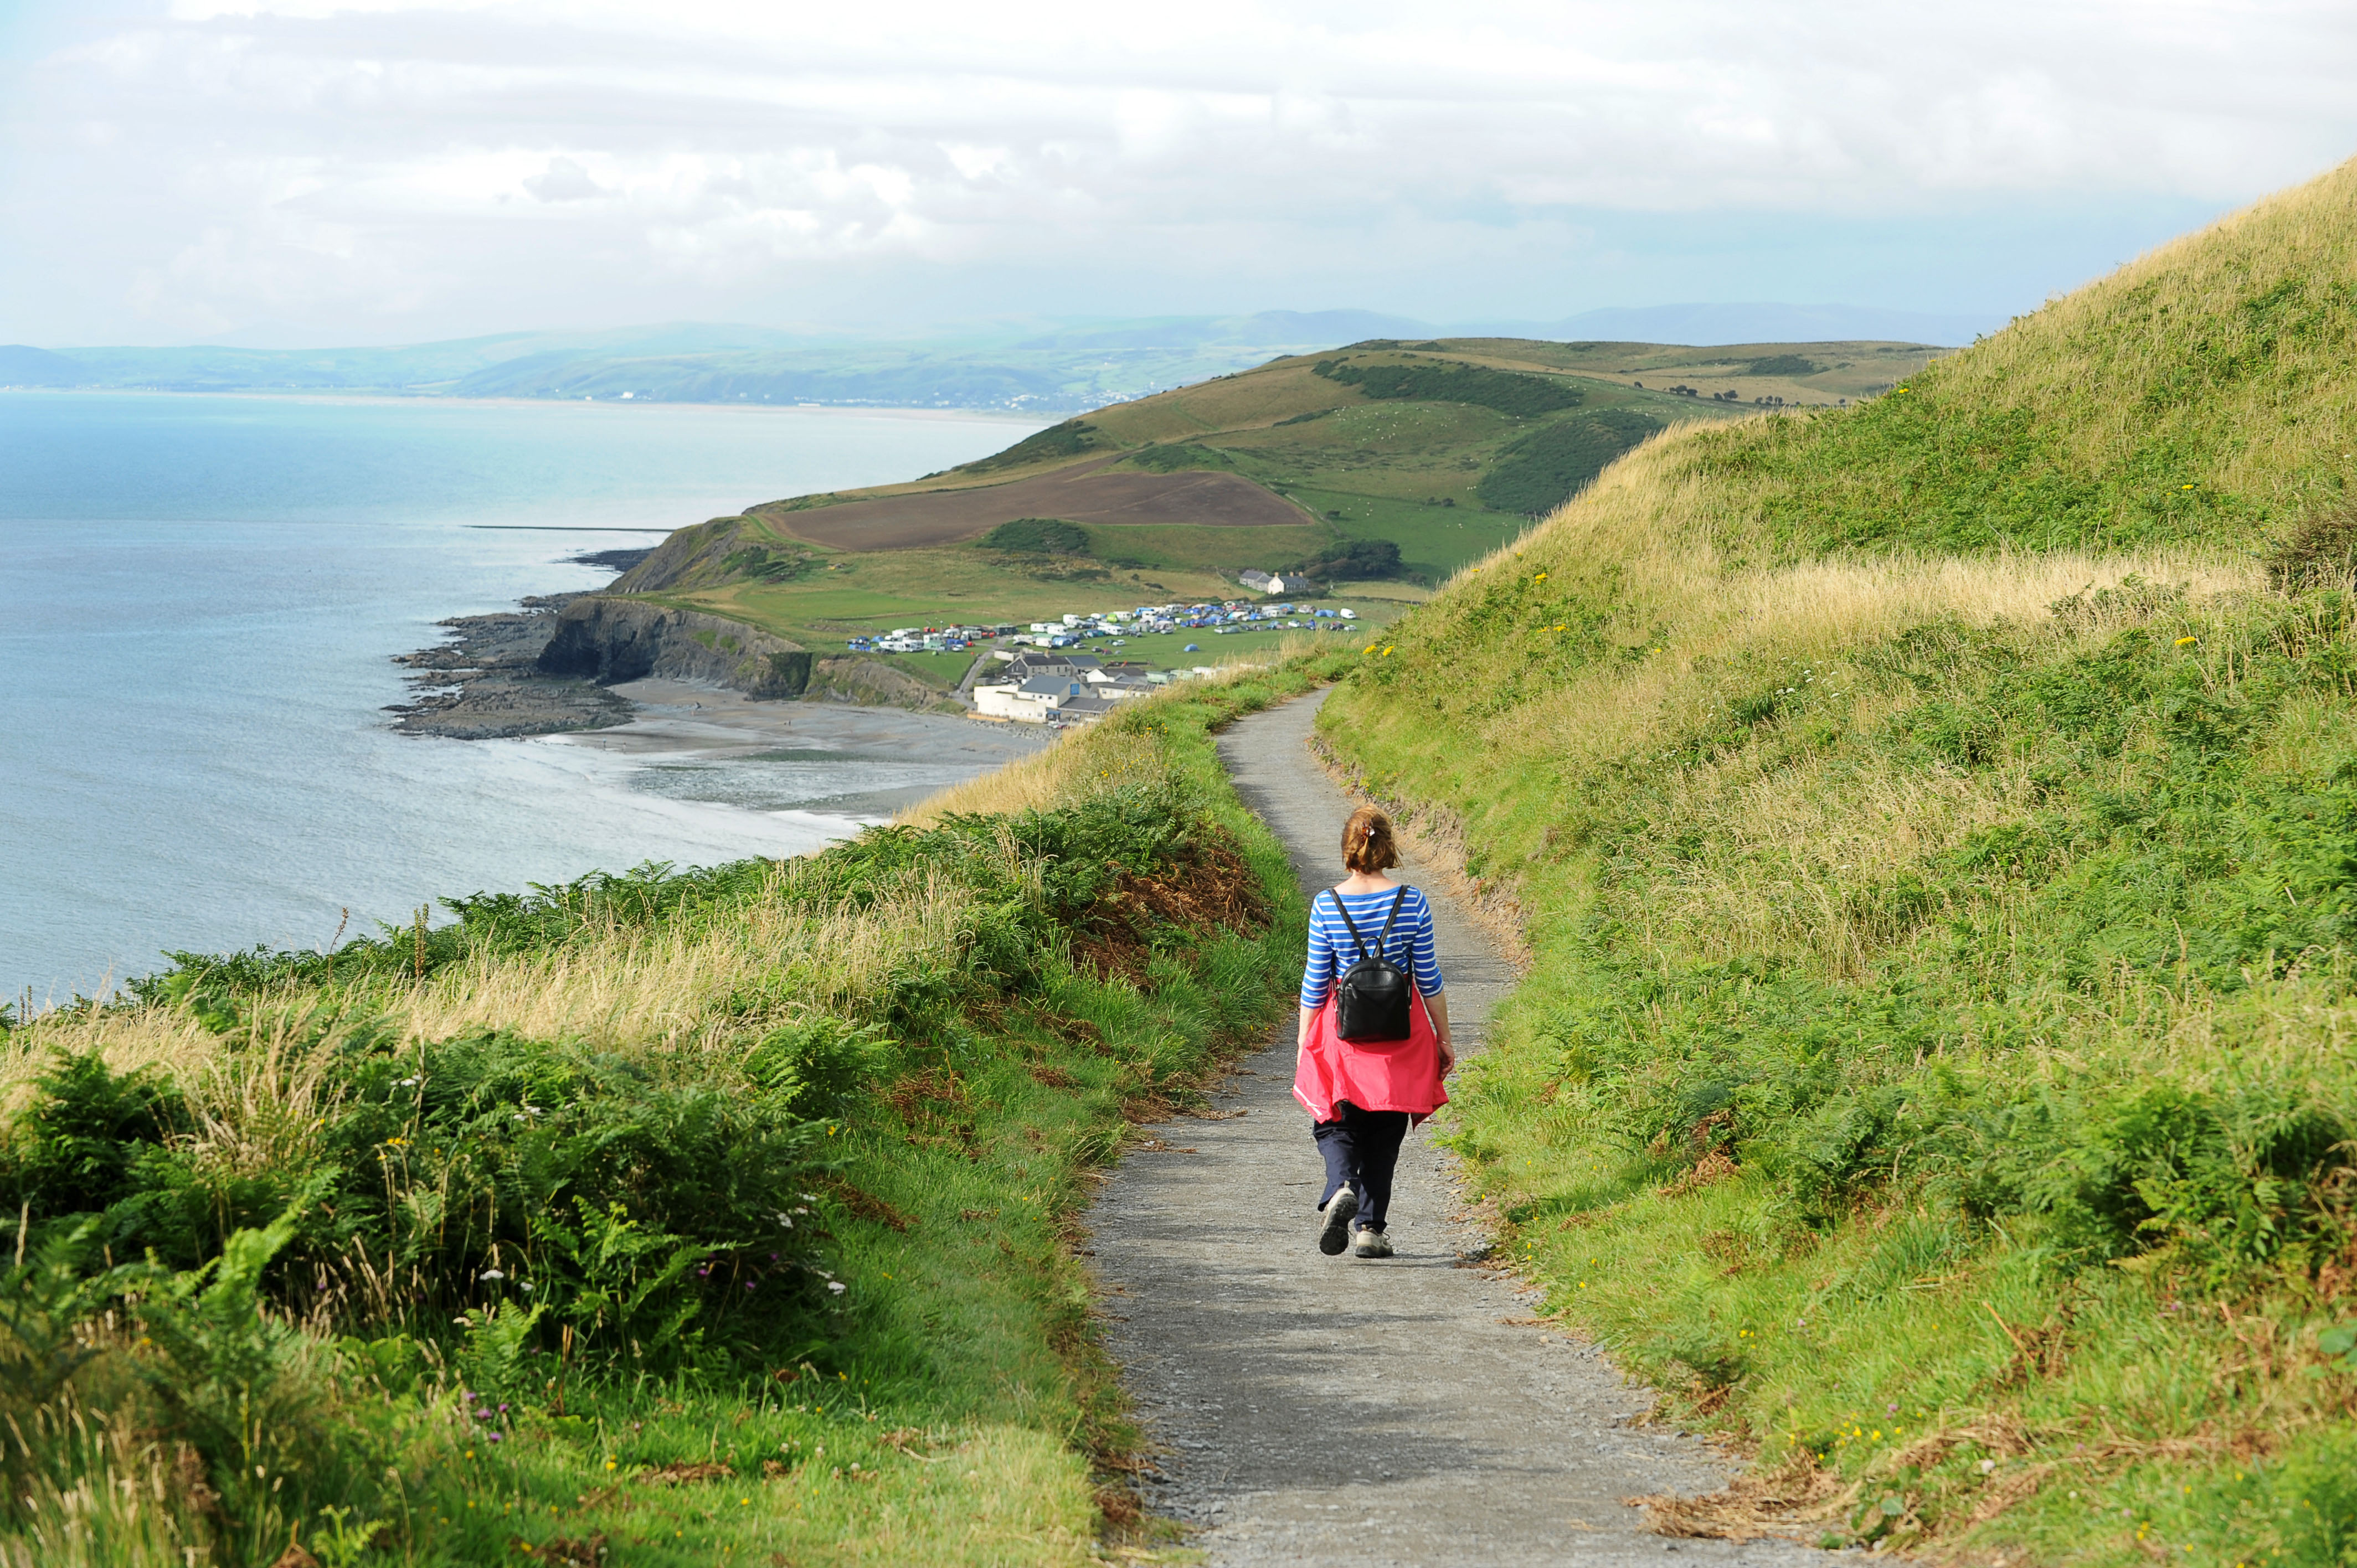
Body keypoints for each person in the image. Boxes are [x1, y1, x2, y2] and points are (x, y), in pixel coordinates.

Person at [1292, 805, 1452, 1260]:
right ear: (1387, 849)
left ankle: (1342, 1183)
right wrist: (1444, 1038)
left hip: (1343, 1036)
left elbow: (1316, 981)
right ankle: (1369, 1230)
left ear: (1348, 850)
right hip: (1401, 1037)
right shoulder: (1413, 901)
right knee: (1385, 1130)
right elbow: (1429, 978)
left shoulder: (1328, 904)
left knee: (1333, 1119)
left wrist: (1306, 1043)